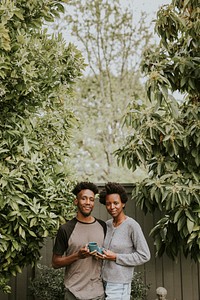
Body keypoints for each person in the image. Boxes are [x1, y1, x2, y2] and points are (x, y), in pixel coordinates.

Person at [52, 181, 106, 300]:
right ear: (76, 201)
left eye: (91, 199)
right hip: (73, 293)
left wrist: (101, 254)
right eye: (84, 198)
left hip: (97, 293)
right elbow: (55, 263)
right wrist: (78, 255)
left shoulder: (103, 226)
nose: (88, 203)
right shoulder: (65, 229)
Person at [98, 182, 151, 300]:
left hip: (119, 284)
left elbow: (144, 255)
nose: (112, 207)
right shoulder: (107, 225)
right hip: (103, 281)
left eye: (116, 203)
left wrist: (116, 257)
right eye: (108, 204)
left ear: (123, 203)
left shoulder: (132, 226)